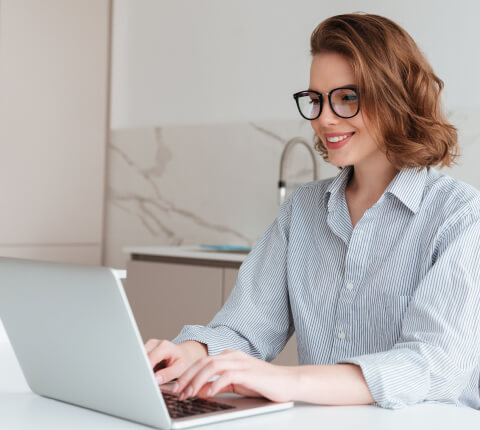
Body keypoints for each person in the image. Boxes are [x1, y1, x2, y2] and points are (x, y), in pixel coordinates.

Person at [145, 13, 480, 409]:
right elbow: (245, 330)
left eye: (347, 98)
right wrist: (192, 354)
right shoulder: (303, 210)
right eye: (316, 99)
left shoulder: (460, 217)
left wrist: (287, 380)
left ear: (396, 97)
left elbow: (431, 365)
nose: (323, 118)